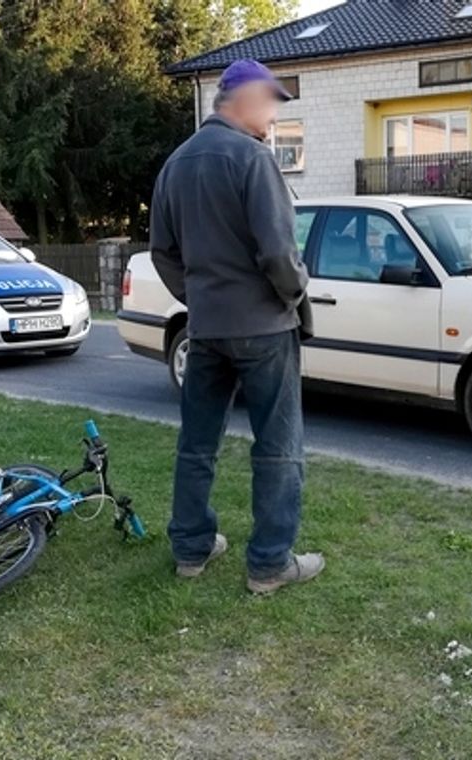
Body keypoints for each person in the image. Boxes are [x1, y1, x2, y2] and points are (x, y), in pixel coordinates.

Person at [149, 59, 324, 594]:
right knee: (278, 444)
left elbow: (162, 253)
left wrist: (199, 299)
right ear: (239, 99)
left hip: (205, 328)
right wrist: (295, 296)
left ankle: (191, 550)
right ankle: (269, 564)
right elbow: (278, 251)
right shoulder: (252, 159)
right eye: (268, 101)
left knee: (197, 443)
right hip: (264, 328)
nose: (272, 114)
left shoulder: (174, 165)